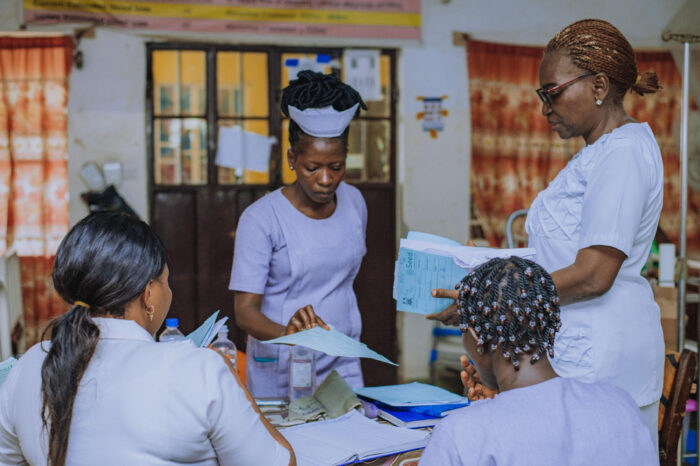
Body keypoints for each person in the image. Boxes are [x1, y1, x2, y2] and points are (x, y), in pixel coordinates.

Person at [429, 18, 664, 439]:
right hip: (581, 349)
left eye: (552, 93)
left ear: (598, 86)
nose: (544, 109)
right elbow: (561, 253)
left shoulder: (623, 153)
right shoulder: (596, 154)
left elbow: (594, 274)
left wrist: (490, 301)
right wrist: (489, 270)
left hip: (601, 357)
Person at [0, 212, 295, 466]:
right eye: (166, 281)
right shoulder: (200, 370)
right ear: (149, 294)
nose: (169, 291)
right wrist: (235, 384)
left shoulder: (28, 367)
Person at [419, 257, 657, 466]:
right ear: (549, 324)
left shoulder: (461, 433)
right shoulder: (620, 405)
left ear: (475, 336)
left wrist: (489, 414)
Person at [230, 70, 368, 398]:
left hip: (342, 359)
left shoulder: (354, 203)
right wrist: (289, 334)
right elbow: (244, 312)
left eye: (336, 167)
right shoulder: (262, 219)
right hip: (283, 362)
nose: (325, 179)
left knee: (350, 442)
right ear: (293, 159)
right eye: (312, 167)